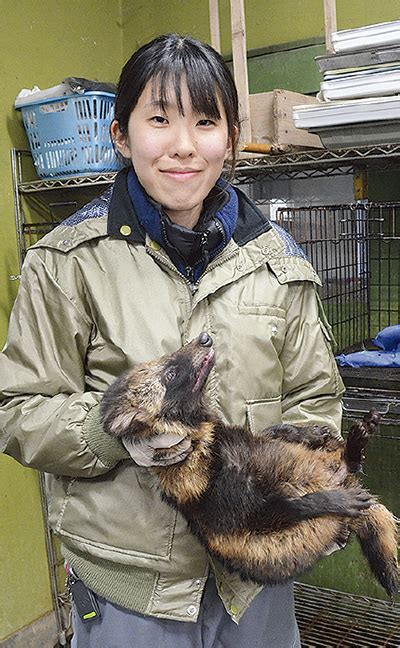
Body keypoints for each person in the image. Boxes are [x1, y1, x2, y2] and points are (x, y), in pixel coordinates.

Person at [0, 33, 344, 647]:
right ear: (121, 135)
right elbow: (20, 410)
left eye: (206, 121)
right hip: (131, 582)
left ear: (231, 137)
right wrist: (113, 428)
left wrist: (296, 487)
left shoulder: (279, 263)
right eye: (159, 119)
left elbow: (315, 399)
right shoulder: (67, 263)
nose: (184, 146)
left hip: (256, 574)